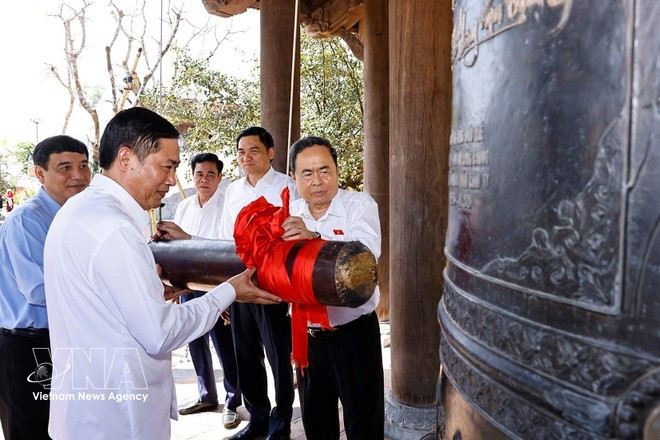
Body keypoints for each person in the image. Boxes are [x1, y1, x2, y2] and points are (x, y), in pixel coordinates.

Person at [43, 108, 281, 439]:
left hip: (88, 410)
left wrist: (151, 292)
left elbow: (102, 303)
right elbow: (160, 332)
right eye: (167, 167)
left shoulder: (79, 210)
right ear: (126, 159)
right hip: (118, 418)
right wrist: (228, 291)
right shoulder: (114, 228)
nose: (172, 179)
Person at [157, 126, 295, 440]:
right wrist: (186, 238)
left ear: (271, 152)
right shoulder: (233, 190)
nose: (246, 157)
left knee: (278, 358)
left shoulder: (289, 186)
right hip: (239, 284)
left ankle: (282, 421)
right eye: (241, 151)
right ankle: (258, 417)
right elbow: (223, 243)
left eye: (254, 150)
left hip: (274, 286)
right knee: (245, 356)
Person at [281, 136, 384, 440]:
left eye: (325, 171)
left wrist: (313, 237)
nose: (317, 181)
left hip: (354, 335)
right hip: (306, 336)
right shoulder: (287, 214)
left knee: (363, 422)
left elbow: (365, 256)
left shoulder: (359, 205)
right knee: (317, 422)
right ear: (293, 178)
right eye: (307, 173)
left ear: (337, 171)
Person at [0, 135, 91, 440]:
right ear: (40, 173)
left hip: (66, 339)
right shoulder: (27, 221)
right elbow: (38, 291)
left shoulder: (78, 217)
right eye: (65, 167)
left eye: (83, 166)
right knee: (32, 429)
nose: (78, 176)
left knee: (70, 428)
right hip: (29, 345)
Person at [173, 153, 242, 429]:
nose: (204, 179)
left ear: (220, 177)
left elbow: (226, 250)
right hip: (187, 284)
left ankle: (233, 400)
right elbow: (177, 250)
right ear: (193, 175)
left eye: (210, 174)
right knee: (194, 340)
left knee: (223, 344)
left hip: (215, 286)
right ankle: (206, 394)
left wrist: (224, 295)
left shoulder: (227, 207)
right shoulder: (184, 206)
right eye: (199, 174)